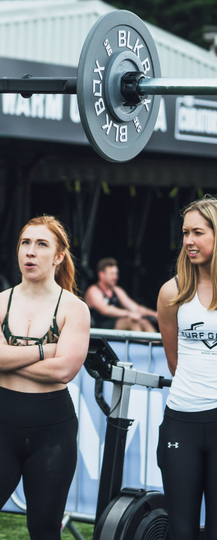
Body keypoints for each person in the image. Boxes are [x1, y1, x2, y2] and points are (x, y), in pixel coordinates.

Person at [0, 215, 90, 540]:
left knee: (43, 529)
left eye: (42, 244)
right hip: (2, 426)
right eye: (25, 243)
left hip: (52, 430)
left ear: (59, 256)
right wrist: (45, 351)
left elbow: (64, 371)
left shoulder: (74, 308)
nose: (30, 252)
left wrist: (7, 355)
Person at [157, 196, 217, 540]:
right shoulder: (172, 293)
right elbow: (174, 360)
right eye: (184, 233)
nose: (189, 241)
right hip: (181, 420)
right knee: (181, 531)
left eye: (198, 232)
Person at [85, 257, 157, 331]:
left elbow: (135, 308)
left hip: (117, 324)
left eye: (116, 274)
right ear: (101, 275)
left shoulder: (117, 290)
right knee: (132, 322)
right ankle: (141, 342)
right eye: (112, 274)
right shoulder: (93, 290)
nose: (115, 277)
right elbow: (105, 310)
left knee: (144, 321)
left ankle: (156, 342)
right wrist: (129, 314)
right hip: (101, 328)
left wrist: (153, 314)